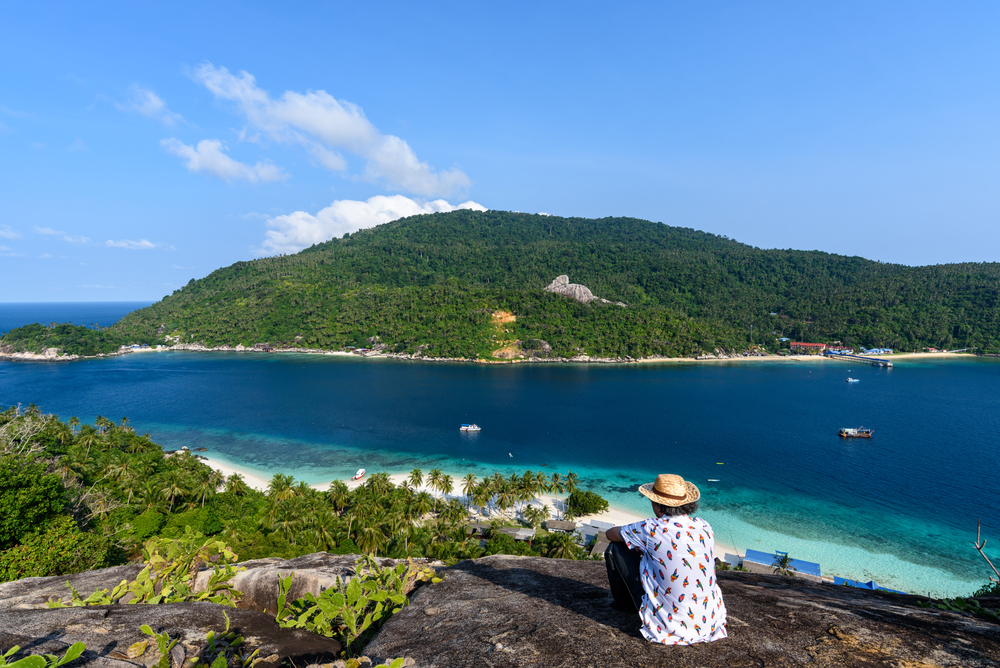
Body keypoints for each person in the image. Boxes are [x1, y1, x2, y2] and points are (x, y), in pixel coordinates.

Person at [605, 473, 727, 645]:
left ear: (658, 506)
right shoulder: (704, 526)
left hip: (667, 625)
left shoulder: (651, 528)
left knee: (615, 547)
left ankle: (625, 606)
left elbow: (609, 534)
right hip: (708, 622)